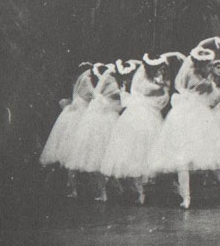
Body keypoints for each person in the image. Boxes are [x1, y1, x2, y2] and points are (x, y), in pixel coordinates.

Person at [149, 38, 220, 209]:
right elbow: (198, 48)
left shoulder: (206, 82)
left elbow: (213, 100)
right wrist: (213, 40)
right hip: (183, 116)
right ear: (200, 65)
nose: (209, 67)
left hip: (197, 117)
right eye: (207, 65)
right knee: (182, 157)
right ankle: (186, 196)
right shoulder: (191, 72)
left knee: (208, 156)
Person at [100, 56, 175, 204]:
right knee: (135, 153)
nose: (161, 72)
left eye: (162, 70)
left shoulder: (157, 81)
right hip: (137, 117)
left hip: (151, 116)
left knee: (152, 152)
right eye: (159, 69)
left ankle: (155, 189)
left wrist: (162, 85)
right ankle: (139, 191)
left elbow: (162, 98)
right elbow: (146, 89)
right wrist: (160, 85)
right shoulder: (142, 81)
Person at [64, 63, 123, 202]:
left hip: (100, 118)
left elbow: (98, 95)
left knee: (99, 158)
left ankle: (106, 190)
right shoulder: (93, 81)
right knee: (97, 158)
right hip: (96, 118)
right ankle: (101, 190)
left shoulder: (106, 82)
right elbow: (95, 94)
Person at [40, 62, 96, 198]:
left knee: (73, 153)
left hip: (76, 116)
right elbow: (95, 95)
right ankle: (76, 188)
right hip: (81, 118)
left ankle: (74, 188)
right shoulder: (86, 80)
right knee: (79, 152)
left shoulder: (77, 84)